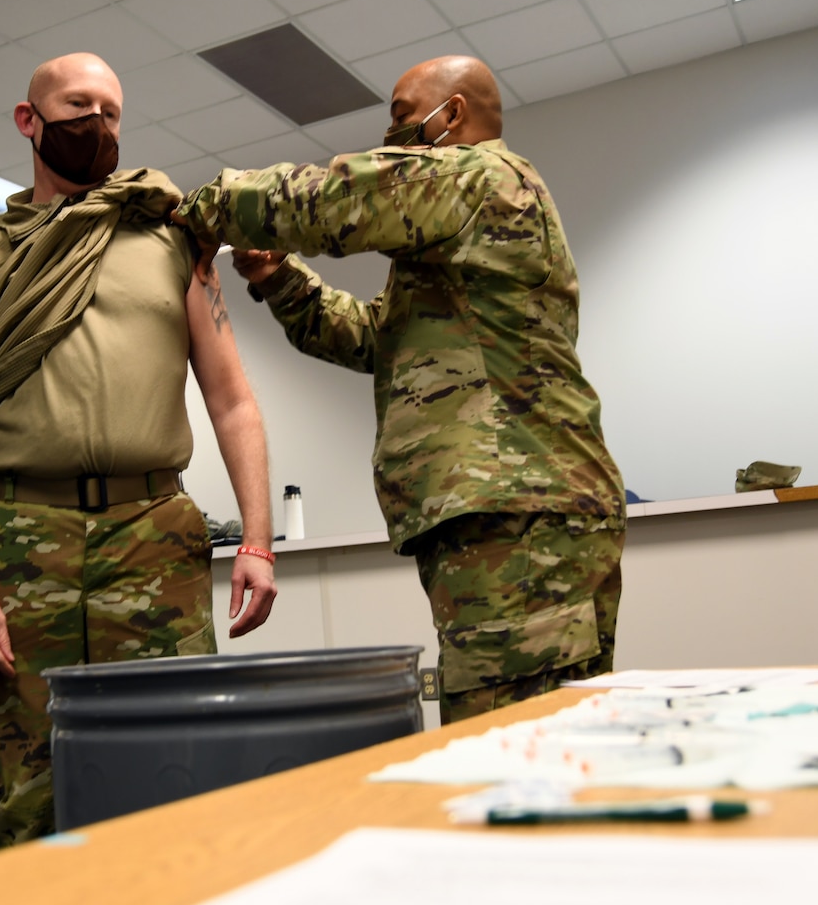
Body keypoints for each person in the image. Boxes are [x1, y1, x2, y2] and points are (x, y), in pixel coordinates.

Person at [174, 55, 626, 724]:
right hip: (506, 515)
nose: (390, 138)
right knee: (529, 736)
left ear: (454, 116)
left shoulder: (481, 178)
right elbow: (375, 340)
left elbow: (339, 199)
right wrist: (279, 280)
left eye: (401, 117)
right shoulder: (459, 239)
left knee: (511, 746)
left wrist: (208, 206)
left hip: (519, 515)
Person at [0, 51, 278, 853]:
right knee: (26, 791)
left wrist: (256, 537)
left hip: (155, 534)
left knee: (174, 774)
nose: (99, 126)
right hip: (19, 542)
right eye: (79, 107)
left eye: (112, 111)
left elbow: (233, 400)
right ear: (28, 120)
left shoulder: (171, 241)